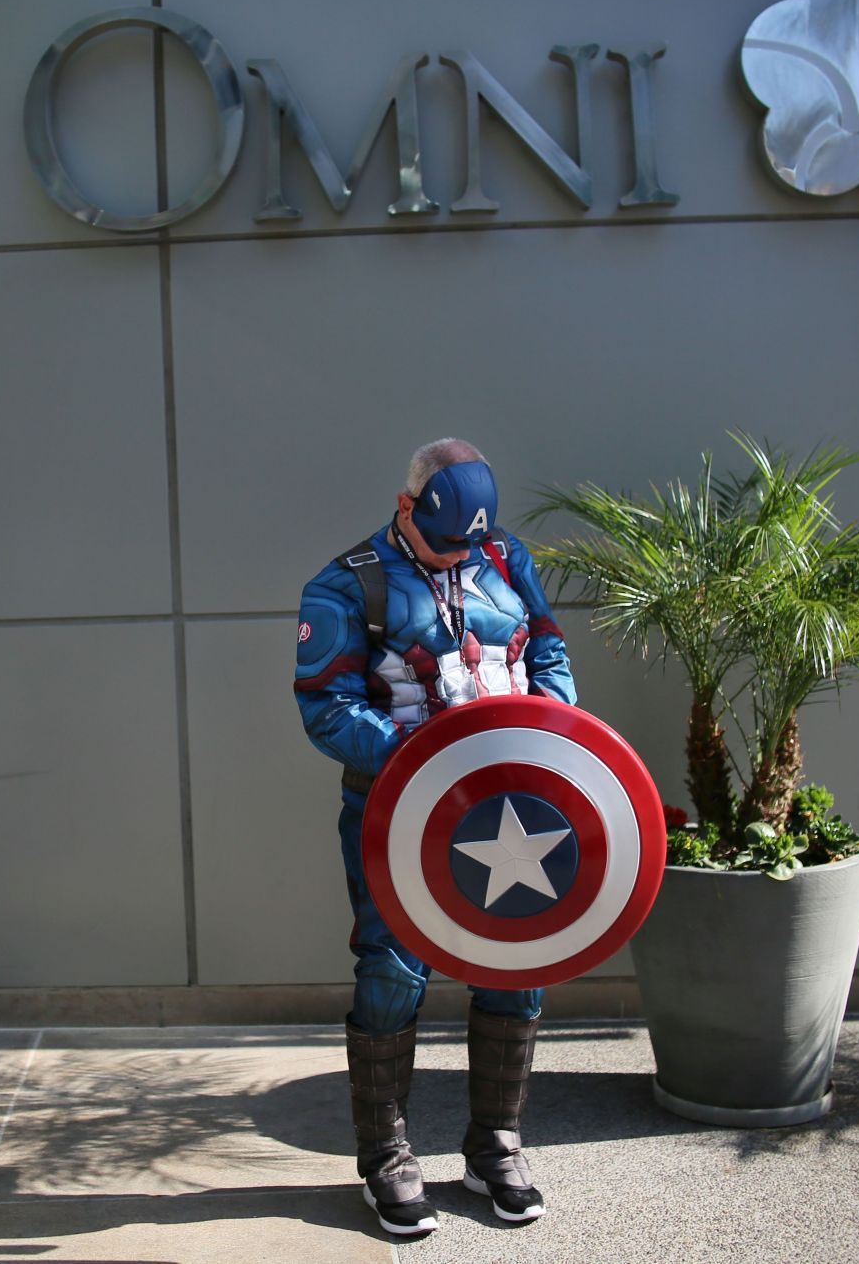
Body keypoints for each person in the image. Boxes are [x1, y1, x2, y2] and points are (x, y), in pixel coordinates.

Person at [293, 438, 576, 1236]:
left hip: (513, 802)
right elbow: (326, 709)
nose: (460, 555)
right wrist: (424, 757)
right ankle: (385, 1155)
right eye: (446, 540)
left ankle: (496, 1145)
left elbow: (548, 649)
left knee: (519, 961)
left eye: (470, 542)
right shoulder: (348, 585)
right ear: (404, 506)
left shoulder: (507, 558)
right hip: (401, 813)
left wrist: (555, 731)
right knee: (392, 967)